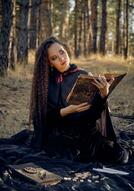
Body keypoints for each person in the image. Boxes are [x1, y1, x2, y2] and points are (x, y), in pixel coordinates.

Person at [29, 36, 130, 164]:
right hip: (58, 135)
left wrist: (103, 95)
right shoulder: (45, 83)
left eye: (62, 52)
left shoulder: (83, 75)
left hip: (83, 132)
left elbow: (92, 116)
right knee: (62, 157)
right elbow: (42, 119)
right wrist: (66, 111)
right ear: (49, 62)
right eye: (54, 58)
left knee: (118, 156)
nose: (61, 58)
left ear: (66, 50)